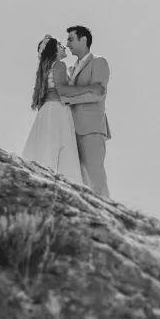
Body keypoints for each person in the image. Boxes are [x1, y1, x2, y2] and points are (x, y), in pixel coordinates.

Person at [53, 24, 110, 198]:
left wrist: (70, 99)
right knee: (80, 179)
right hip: (71, 129)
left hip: (91, 128)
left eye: (71, 39)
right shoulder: (71, 68)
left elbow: (98, 93)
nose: (67, 44)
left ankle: (107, 213)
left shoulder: (99, 62)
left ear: (83, 39)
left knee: (95, 177)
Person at [20, 35, 83, 183]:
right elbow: (63, 91)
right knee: (62, 148)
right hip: (58, 110)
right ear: (54, 50)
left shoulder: (47, 69)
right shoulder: (59, 65)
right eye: (60, 45)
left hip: (46, 111)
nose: (64, 47)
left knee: (46, 147)